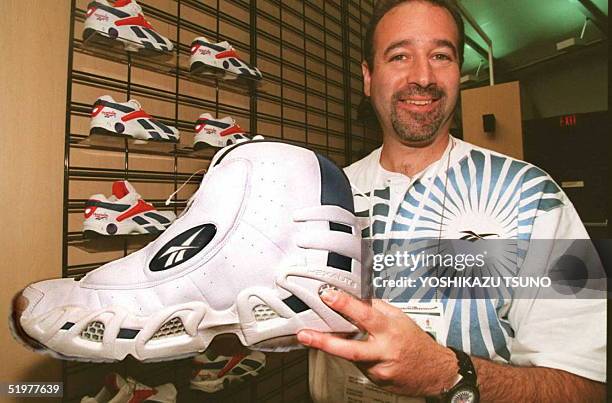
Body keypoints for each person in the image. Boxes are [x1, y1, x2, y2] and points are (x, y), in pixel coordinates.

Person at [298, 0, 606, 401]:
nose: (422, 76)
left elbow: (585, 388)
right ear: (368, 77)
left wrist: (449, 375)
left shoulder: (533, 196)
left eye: (440, 55)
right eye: (400, 55)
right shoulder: (323, 198)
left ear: (459, 74)